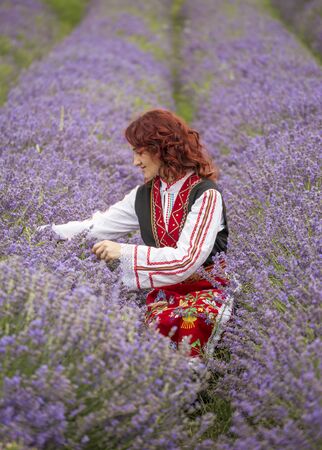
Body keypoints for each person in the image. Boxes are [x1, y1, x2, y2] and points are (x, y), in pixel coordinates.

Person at [45, 109, 232, 358]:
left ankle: (187, 390)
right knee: (140, 332)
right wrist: (45, 233)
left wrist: (123, 251)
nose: (135, 162)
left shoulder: (206, 194)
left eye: (139, 152)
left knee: (181, 325)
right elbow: (96, 227)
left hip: (204, 290)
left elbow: (187, 259)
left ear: (162, 149)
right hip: (165, 292)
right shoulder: (144, 195)